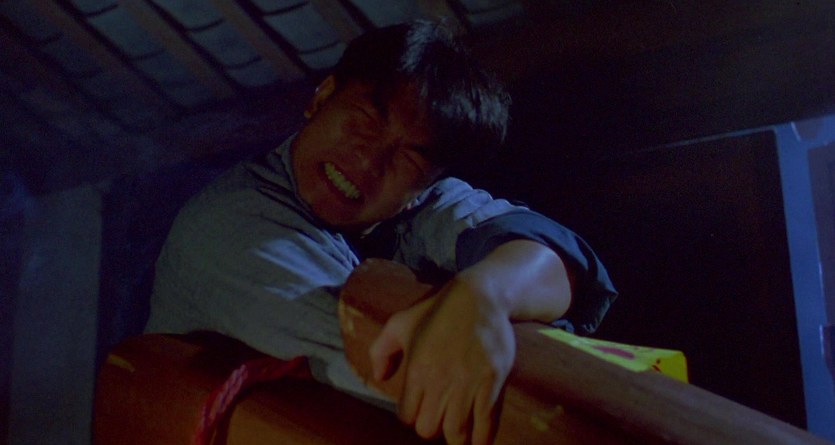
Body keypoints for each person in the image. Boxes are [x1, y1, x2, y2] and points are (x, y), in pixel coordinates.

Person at [145, 20, 617, 445]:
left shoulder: (414, 202)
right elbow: (410, 374)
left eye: (409, 157)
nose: (368, 161)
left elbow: (555, 259)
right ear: (322, 98)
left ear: (422, 188)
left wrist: (484, 295)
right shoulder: (233, 226)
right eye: (367, 120)